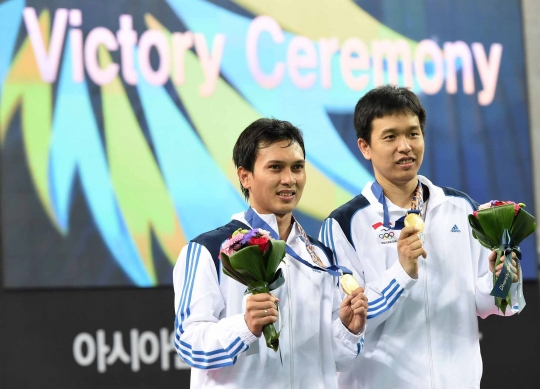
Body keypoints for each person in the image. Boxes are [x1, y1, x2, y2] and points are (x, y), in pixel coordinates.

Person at [319, 85, 522, 389]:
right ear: (365, 146)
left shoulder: (462, 209)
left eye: (413, 134)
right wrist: (401, 273)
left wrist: (502, 279)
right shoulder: (343, 224)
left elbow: (488, 303)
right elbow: (345, 326)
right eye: (390, 137)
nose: (405, 146)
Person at [173, 118, 368, 388]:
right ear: (245, 176)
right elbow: (188, 344)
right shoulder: (207, 250)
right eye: (275, 167)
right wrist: (244, 326)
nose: (289, 179)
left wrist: (348, 329)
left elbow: (336, 360)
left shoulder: (321, 258)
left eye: (297, 168)